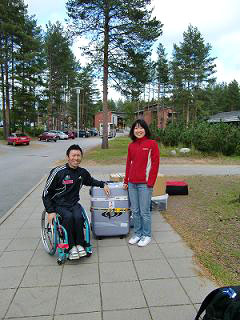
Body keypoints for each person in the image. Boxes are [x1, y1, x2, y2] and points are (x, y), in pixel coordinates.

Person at [42, 144, 110, 260]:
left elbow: (90, 181)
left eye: (78, 155)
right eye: (73, 155)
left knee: (78, 217)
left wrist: (103, 184)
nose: (76, 158)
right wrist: (50, 211)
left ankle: (80, 244)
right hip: (58, 204)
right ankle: (70, 246)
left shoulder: (82, 172)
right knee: (68, 217)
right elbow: (46, 193)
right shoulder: (58, 172)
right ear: (68, 156)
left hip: (73, 203)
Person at [123, 119, 160, 247]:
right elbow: (128, 164)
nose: (138, 130)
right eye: (136, 128)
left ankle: (146, 235)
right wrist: (126, 180)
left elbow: (155, 165)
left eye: (141, 128)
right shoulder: (131, 145)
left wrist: (150, 182)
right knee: (135, 211)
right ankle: (137, 234)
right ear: (133, 131)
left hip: (145, 184)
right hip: (132, 184)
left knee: (145, 211)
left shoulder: (152, 144)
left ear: (145, 129)